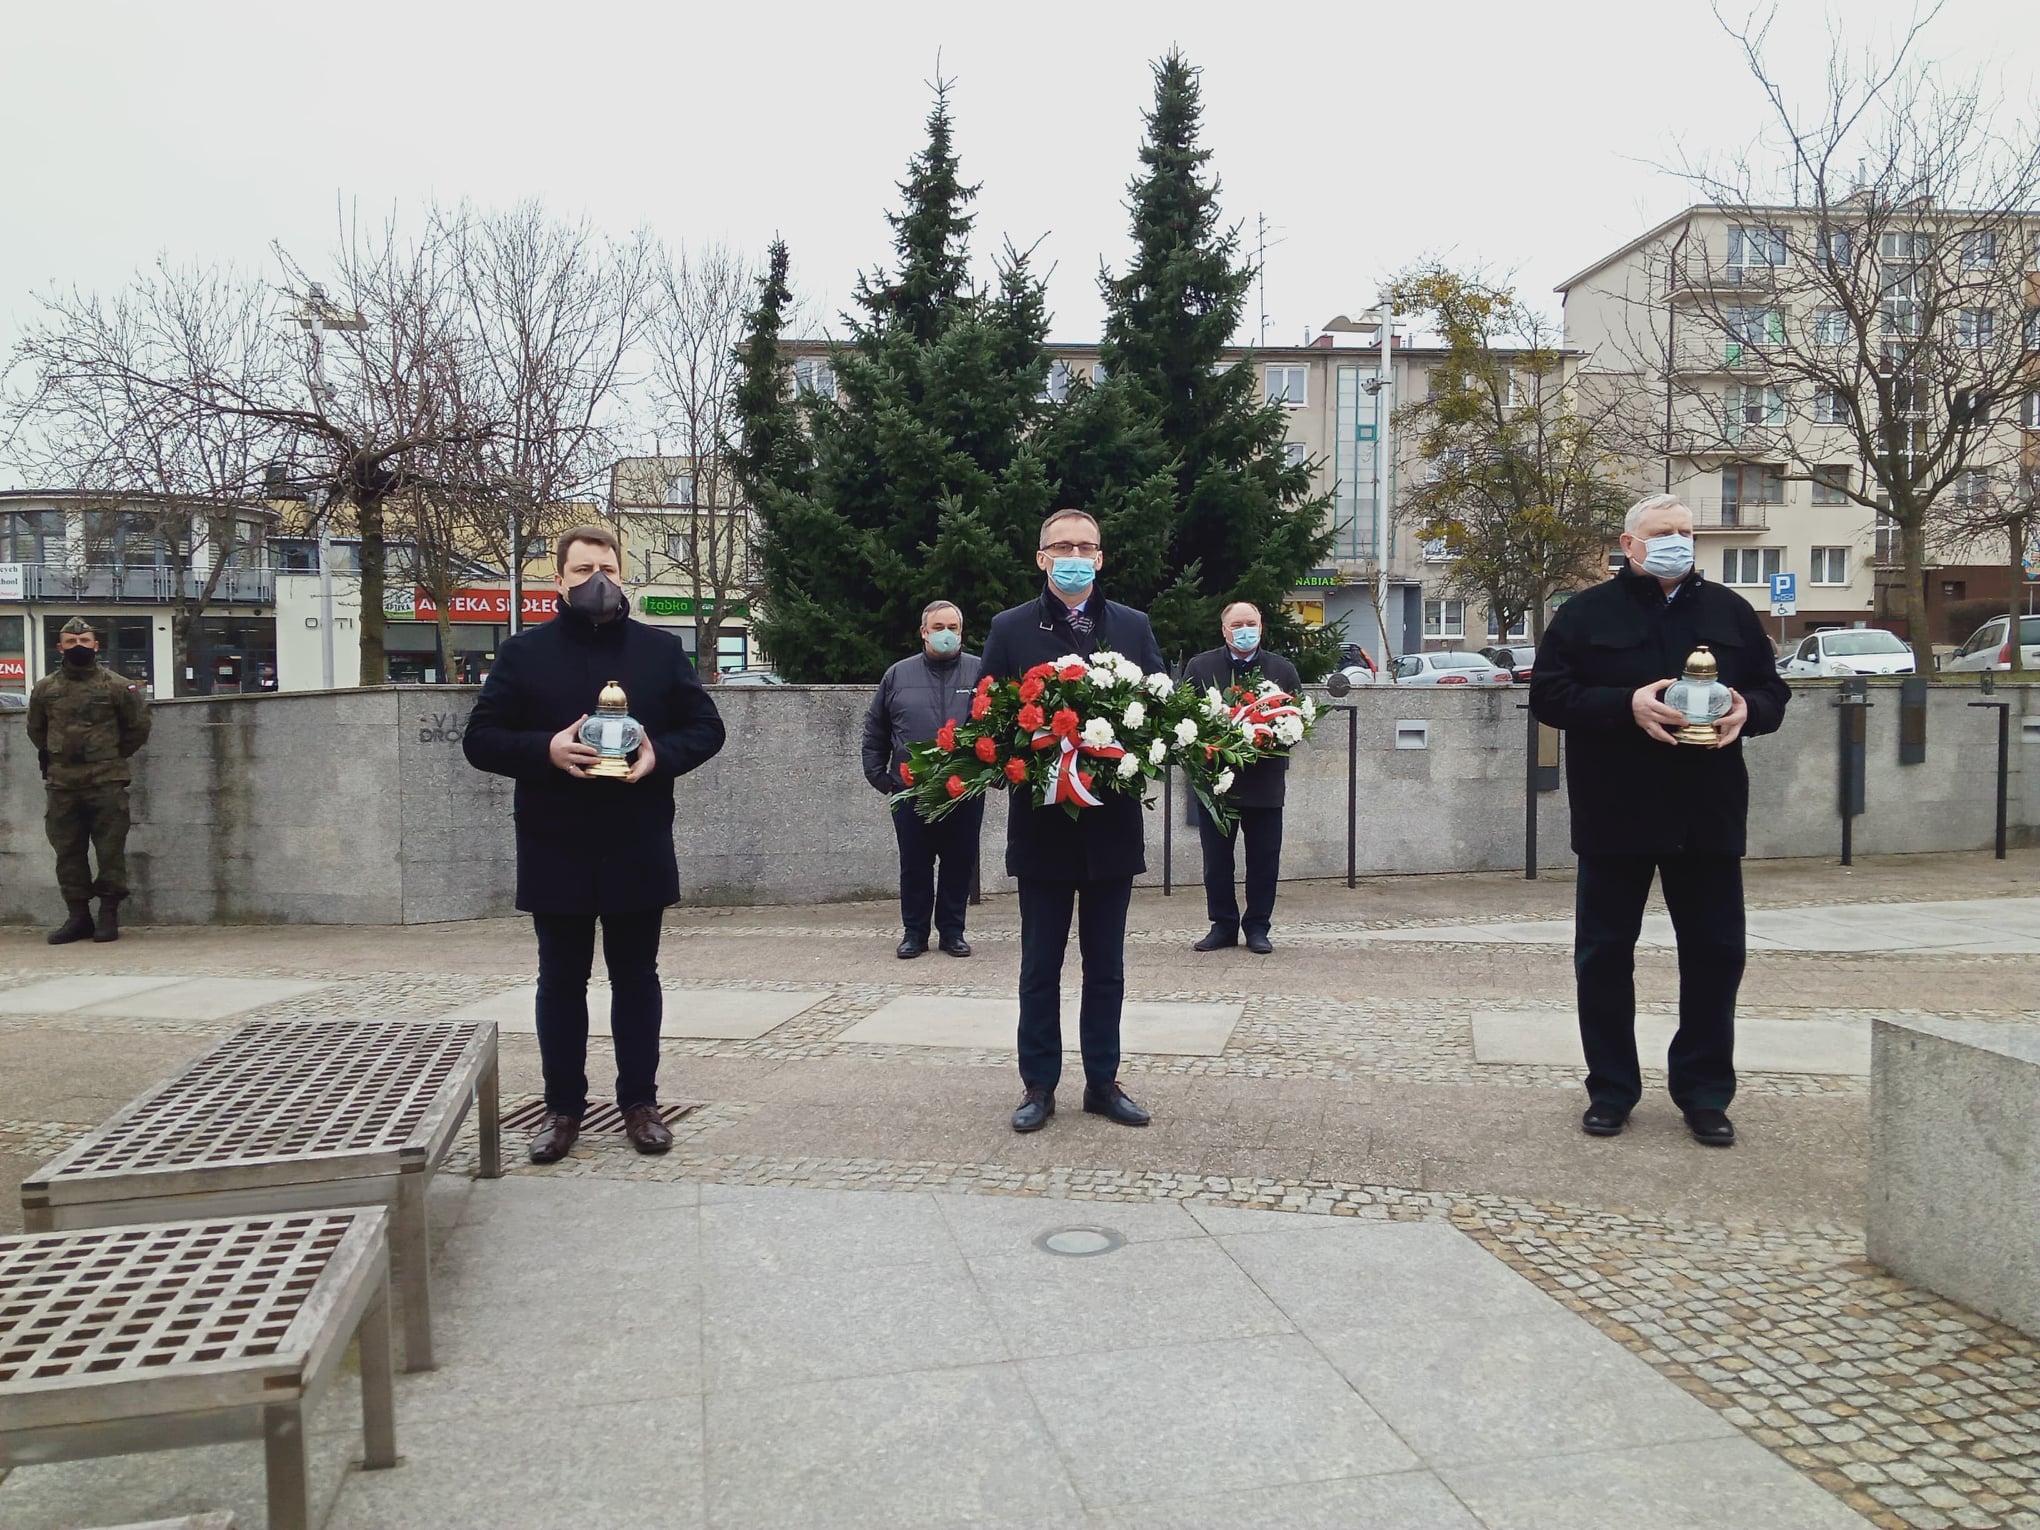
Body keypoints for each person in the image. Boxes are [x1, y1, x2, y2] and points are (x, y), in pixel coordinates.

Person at [1529, 492, 1790, 1148]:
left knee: (1716, 955)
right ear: (1629, 545)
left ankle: (1704, 1093)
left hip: (1707, 814)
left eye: (1684, 530)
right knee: (1604, 956)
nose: (1677, 539)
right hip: (1616, 811)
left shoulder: (1728, 610)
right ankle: (1611, 1090)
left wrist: (1745, 712)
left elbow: (1772, 692)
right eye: (1662, 531)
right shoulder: (1586, 613)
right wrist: (1628, 704)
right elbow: (1549, 696)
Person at [463, 525, 726, 1164]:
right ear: (559, 580)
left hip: (637, 840)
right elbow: (480, 738)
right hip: (558, 843)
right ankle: (562, 1110)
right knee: (561, 981)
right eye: (582, 570)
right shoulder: (524, 653)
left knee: (637, 979)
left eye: (606, 568)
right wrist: (546, 749)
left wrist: (658, 755)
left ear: (623, 575)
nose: (597, 581)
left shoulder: (660, 650)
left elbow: (707, 728)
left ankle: (640, 1103)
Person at [981, 508, 1167, 1134]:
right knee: (1039, 967)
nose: (1076, 556)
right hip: (1043, 829)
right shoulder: (1010, 630)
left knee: (1106, 967)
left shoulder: (1133, 627)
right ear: (1041, 558)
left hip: (1111, 828)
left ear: (1101, 557)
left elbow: (1160, 710)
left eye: (1087, 546)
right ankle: (1038, 1085)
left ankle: (1103, 1081)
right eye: (1063, 546)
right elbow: (989, 718)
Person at [862, 600, 985, 959]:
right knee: (914, 865)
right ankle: (914, 933)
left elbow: (997, 727)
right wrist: (880, 777)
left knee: (959, 863)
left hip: (962, 790)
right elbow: (876, 730)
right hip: (909, 790)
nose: (946, 634)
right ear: (923, 632)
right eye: (938, 627)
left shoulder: (980, 672)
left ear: (961, 632)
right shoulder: (897, 675)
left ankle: (952, 932)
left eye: (953, 627)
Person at [1184, 602, 1301, 954]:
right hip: (1216, 785)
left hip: (1264, 785)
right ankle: (1222, 925)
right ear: (1224, 630)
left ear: (1261, 627)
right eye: (1237, 624)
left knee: (1264, 860)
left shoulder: (1282, 670)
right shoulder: (1199, 667)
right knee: (1216, 861)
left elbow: (1297, 723)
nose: (1244, 629)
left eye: (1251, 623)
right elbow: (1186, 717)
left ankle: (1257, 927)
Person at [27, 617, 152, 944]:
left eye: (84, 642)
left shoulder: (118, 686)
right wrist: (59, 755)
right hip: (62, 783)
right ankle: (77, 916)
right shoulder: (45, 688)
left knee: (110, 850)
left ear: (96, 646)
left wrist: (108, 754)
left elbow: (138, 728)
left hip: (106, 781)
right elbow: (36, 730)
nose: (78, 647)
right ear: (60, 647)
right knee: (67, 850)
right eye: (71, 642)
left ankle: (108, 914)